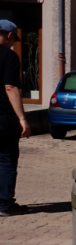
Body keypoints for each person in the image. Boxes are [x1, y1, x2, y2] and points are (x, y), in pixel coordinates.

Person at [0, 19, 30, 216]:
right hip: (3, 118)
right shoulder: (9, 56)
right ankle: (4, 204)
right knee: (6, 159)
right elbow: (10, 87)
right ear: (9, 35)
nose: (13, 44)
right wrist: (22, 118)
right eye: (13, 40)